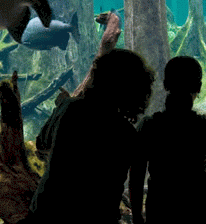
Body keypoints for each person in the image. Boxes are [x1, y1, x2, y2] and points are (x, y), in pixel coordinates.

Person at [26, 49, 155, 223]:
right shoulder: (128, 134)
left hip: (46, 212)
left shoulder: (69, 108)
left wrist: (60, 109)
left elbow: (42, 144)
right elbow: (135, 183)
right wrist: (138, 218)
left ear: (97, 76)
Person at [132, 56, 206, 224]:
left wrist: (137, 216)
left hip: (161, 211)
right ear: (199, 87)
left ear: (166, 85)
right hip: (203, 211)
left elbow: (136, 176)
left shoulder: (149, 127)